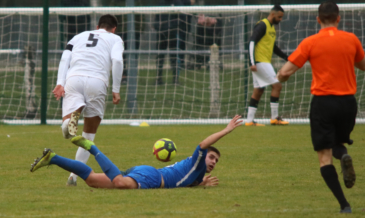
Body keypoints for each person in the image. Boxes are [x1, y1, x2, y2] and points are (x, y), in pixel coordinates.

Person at [276, 1, 365, 213]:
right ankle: (343, 155)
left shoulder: (311, 42)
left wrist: (281, 78)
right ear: (338, 18)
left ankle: (344, 204)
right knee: (338, 142)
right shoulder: (351, 39)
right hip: (348, 103)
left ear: (318, 19)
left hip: (323, 102)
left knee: (324, 157)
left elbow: (285, 72)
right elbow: (364, 66)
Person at [30, 115, 243, 189]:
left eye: (216, 160)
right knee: (121, 184)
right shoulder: (198, 162)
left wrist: (202, 183)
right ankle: (92, 148)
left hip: (147, 172)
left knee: (92, 180)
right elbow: (203, 144)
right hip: (152, 177)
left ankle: (53, 158)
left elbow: (187, 181)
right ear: (204, 157)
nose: (213, 161)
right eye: (212, 157)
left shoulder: (196, 174)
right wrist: (226, 130)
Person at [52, 14, 124, 187]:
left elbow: (65, 58)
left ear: (97, 26)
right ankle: (73, 176)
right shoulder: (115, 39)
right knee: (88, 136)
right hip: (97, 82)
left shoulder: (79, 36)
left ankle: (68, 122)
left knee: (67, 130)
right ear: (114, 29)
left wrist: (60, 83)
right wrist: (116, 89)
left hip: (74, 78)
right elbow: (117, 61)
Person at [246, 5, 290, 126]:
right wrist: (252, 62)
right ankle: (275, 118)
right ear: (272, 14)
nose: (280, 19)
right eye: (279, 17)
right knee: (277, 86)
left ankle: (249, 121)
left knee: (259, 90)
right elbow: (251, 42)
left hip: (263, 62)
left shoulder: (271, 28)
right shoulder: (262, 25)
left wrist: (287, 58)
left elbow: (274, 47)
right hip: (260, 62)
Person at [154, 0, 195, 85]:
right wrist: (157, 26)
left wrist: (174, 26)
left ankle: (175, 79)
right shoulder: (161, 2)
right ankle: (159, 78)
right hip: (162, 33)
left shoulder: (176, 1)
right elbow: (157, 16)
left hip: (172, 33)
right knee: (160, 56)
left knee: (173, 56)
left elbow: (182, 15)